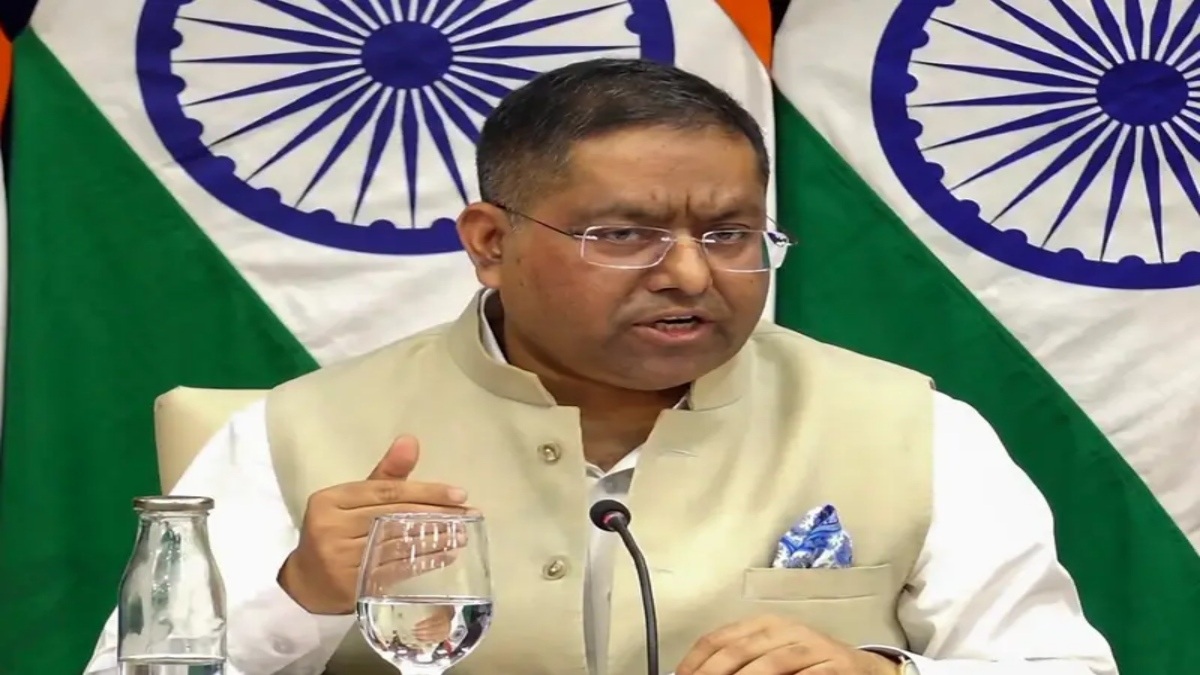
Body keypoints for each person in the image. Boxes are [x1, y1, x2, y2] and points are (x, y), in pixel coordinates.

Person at [84, 58, 1118, 675]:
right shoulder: (295, 435)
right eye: (623, 235)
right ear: (490, 242)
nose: (691, 274)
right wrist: (299, 597)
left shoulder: (911, 428)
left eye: (730, 233)